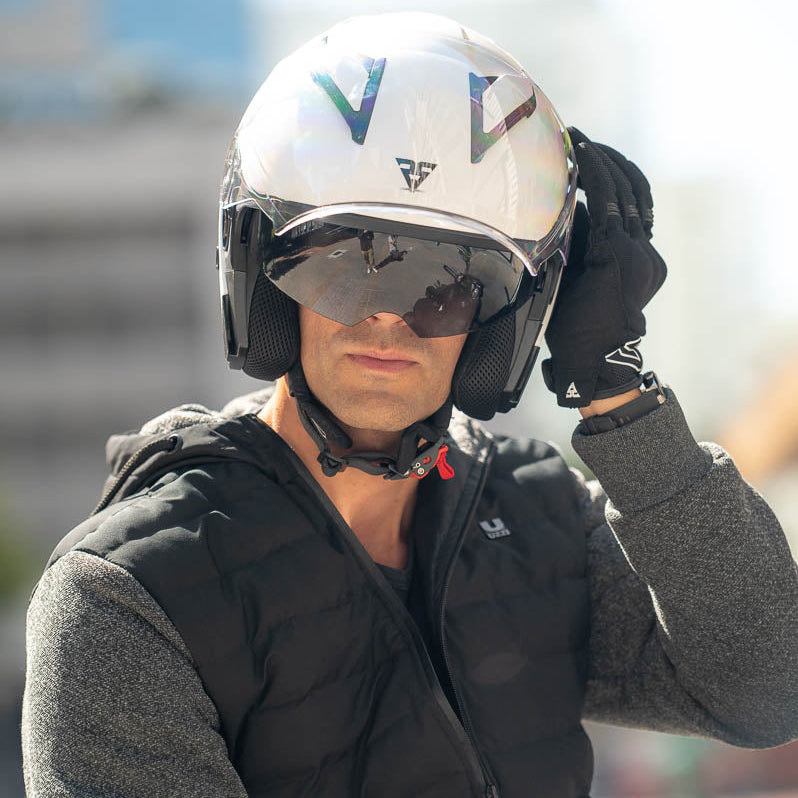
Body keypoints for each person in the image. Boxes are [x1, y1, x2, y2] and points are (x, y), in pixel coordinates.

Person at [21, 13, 798, 798]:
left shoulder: (535, 516)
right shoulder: (130, 597)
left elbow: (764, 688)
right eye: (344, 263)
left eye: (447, 281)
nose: (388, 316)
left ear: (509, 314)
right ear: (264, 279)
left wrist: (617, 392)